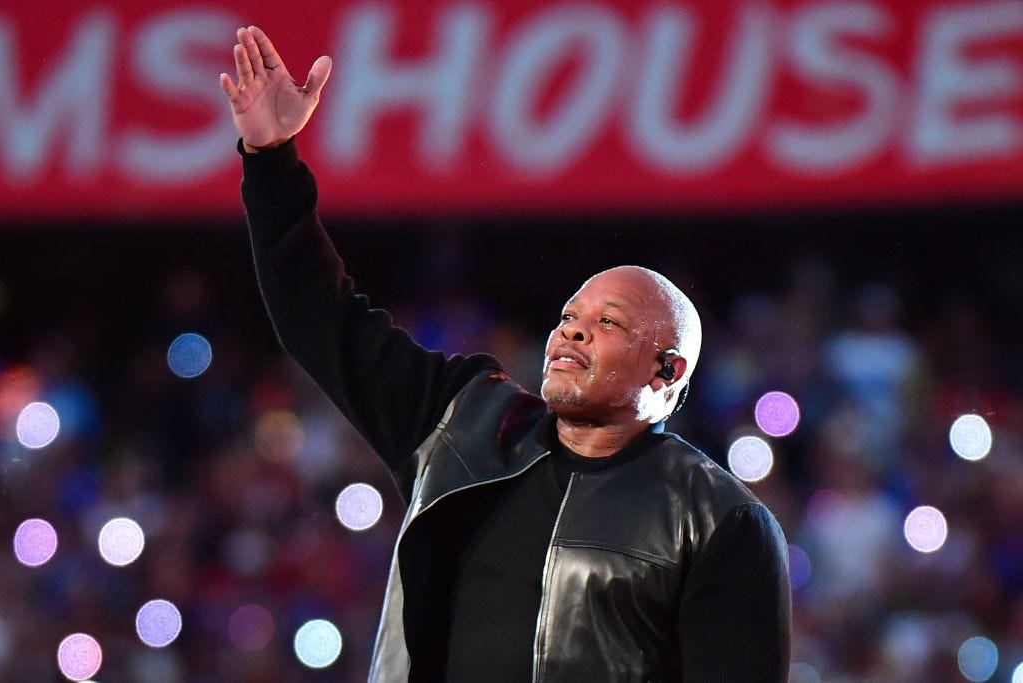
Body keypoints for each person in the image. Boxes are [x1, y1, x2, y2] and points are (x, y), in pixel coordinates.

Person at [220, 25, 791, 682]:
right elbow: (319, 320)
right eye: (568, 317)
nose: (572, 332)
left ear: (669, 369)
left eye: (608, 323)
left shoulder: (720, 520)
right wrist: (271, 160)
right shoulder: (459, 423)